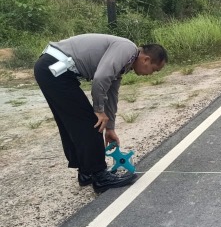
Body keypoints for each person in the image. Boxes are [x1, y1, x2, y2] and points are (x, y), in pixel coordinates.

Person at [34, 34, 168, 193]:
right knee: (91, 123)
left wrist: (110, 128)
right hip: (55, 68)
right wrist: (98, 110)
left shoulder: (125, 62)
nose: (151, 74)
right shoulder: (128, 49)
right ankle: (100, 176)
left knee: (73, 124)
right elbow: (101, 78)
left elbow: (111, 94)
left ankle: (86, 172)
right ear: (145, 59)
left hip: (52, 69)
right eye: (154, 69)